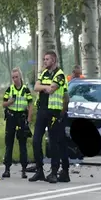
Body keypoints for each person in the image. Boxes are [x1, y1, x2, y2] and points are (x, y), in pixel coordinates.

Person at [30, 50, 70, 183]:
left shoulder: (60, 74)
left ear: (53, 60)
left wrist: (44, 87)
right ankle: (39, 170)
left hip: (54, 111)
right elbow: (36, 87)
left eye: (47, 59)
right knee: (36, 140)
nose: (44, 61)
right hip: (42, 110)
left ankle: (54, 172)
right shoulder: (44, 73)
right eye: (44, 59)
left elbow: (52, 89)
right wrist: (45, 87)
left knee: (53, 143)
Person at [1, 67, 34, 179]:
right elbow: (3, 104)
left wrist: (29, 120)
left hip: (21, 118)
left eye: (16, 77)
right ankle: (7, 169)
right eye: (13, 77)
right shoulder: (9, 89)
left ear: (20, 77)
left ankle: (24, 170)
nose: (15, 79)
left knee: (22, 145)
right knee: (9, 144)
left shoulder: (26, 90)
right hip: (11, 117)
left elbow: (30, 105)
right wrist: (10, 102)